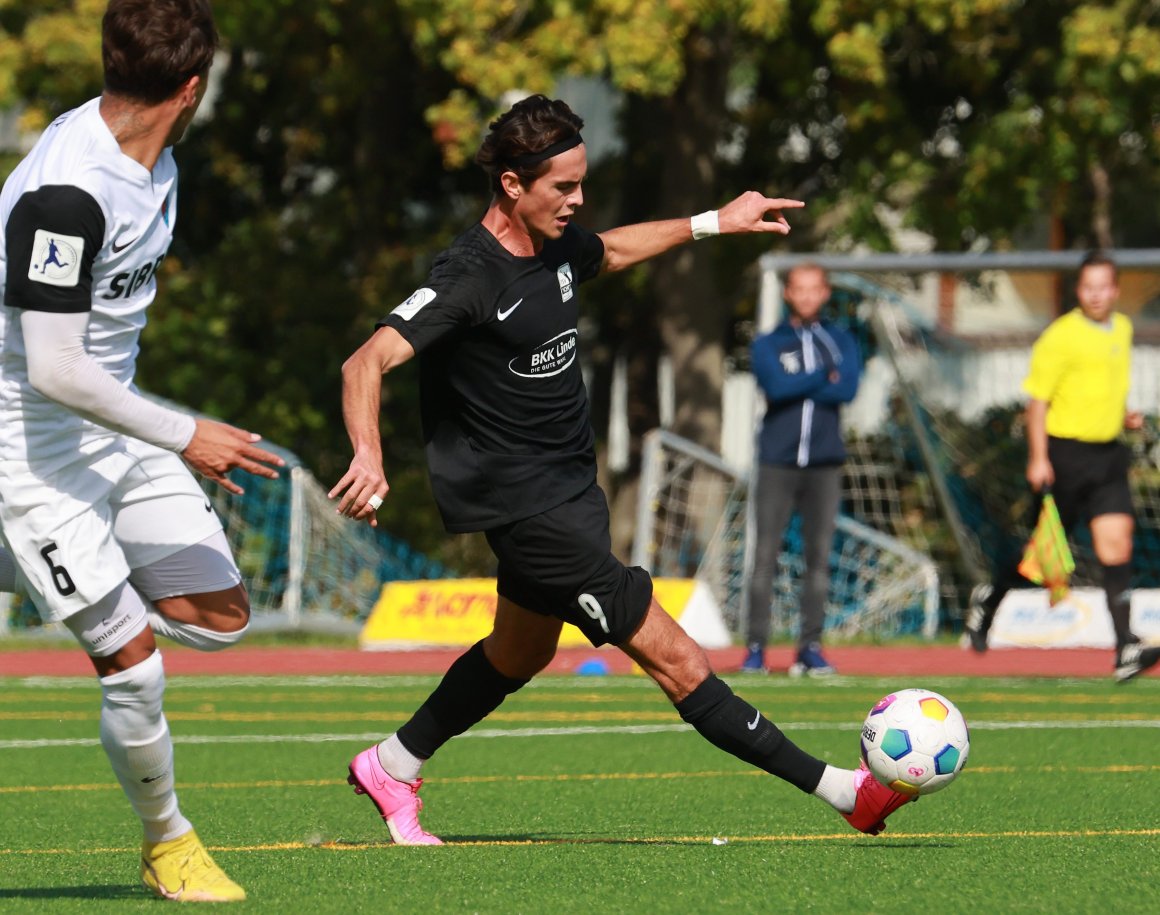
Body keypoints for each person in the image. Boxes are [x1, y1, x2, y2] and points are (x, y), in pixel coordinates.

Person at [329, 94, 913, 845]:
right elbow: (364, 361)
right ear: (512, 185)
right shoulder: (469, 275)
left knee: (522, 649)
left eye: (581, 183)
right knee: (678, 657)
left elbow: (613, 249)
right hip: (527, 511)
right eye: (562, 188)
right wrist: (368, 455)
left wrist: (713, 221)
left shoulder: (554, 247)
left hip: (573, 492)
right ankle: (845, 791)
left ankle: (393, 762)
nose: (578, 201)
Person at [0, 0, 284, 902]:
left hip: (118, 429)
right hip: (32, 451)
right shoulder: (65, 193)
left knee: (220, 619)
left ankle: (39, 575)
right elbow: (52, 368)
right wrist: (187, 432)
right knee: (136, 663)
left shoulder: (159, 159)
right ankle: (170, 843)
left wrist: (157, 429)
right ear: (192, 86)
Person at [964, 251, 1160, 682]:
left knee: (1117, 547)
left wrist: (1124, 415)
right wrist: (1038, 458)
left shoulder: (1122, 329)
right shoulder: (1061, 335)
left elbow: (1103, 387)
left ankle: (1126, 645)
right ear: (1079, 290)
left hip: (1108, 455)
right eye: (1088, 287)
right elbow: (1037, 403)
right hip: (1063, 457)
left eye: (1103, 287)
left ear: (1115, 290)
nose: (1095, 294)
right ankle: (989, 603)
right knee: (1042, 558)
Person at [742, 264, 860, 675]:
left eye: (815, 289)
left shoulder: (841, 339)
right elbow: (776, 387)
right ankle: (756, 647)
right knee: (765, 556)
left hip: (825, 465)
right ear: (788, 293)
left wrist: (808, 381)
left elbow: (847, 387)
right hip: (777, 461)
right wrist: (818, 376)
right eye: (800, 289)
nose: (808, 296)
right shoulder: (769, 342)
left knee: (819, 559)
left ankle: (810, 647)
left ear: (825, 293)